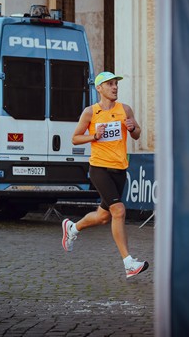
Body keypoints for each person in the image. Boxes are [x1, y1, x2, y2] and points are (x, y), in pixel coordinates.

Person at [62, 71, 149, 279]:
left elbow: (137, 134)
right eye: (110, 84)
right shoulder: (90, 112)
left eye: (116, 84)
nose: (115, 87)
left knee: (103, 216)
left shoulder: (125, 109)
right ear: (99, 88)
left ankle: (72, 228)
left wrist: (133, 127)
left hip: (120, 169)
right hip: (99, 168)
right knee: (118, 210)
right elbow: (75, 138)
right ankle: (128, 263)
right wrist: (94, 136)